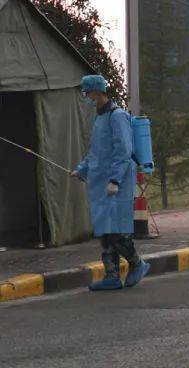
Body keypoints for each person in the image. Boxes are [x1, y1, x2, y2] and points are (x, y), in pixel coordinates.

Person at [72, 74, 150, 290]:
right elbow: (96, 151)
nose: (85, 97)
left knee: (115, 230)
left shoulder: (118, 117)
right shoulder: (99, 119)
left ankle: (137, 263)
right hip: (100, 183)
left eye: (87, 92)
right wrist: (82, 169)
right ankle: (112, 275)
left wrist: (115, 180)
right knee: (105, 231)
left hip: (117, 183)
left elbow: (123, 151)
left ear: (98, 92)